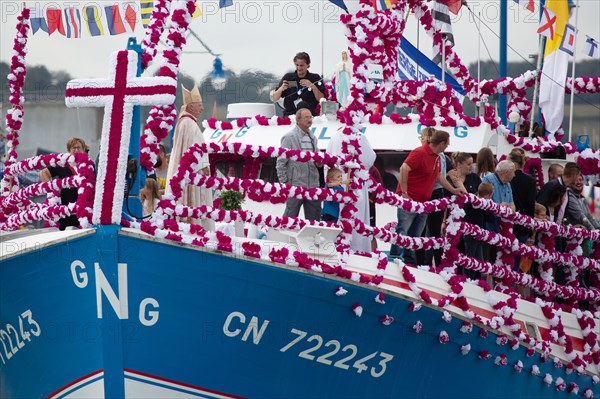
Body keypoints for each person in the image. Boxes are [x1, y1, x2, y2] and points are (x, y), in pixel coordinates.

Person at [390, 130, 464, 264]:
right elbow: (403, 169)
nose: (447, 146)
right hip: (410, 201)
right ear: (441, 143)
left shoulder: (436, 157)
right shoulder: (420, 152)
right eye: (447, 144)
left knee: (415, 234)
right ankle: (394, 257)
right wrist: (405, 193)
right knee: (403, 230)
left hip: (423, 203)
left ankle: (409, 262)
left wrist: (453, 190)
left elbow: (438, 176)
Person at [165, 83, 213, 229]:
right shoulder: (189, 124)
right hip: (193, 175)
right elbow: (195, 153)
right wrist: (204, 167)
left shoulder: (185, 123)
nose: (202, 108)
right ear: (190, 106)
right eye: (199, 105)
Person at [326, 129, 376, 252]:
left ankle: (339, 247)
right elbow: (370, 159)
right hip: (355, 183)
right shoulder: (360, 136)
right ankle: (358, 249)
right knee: (356, 216)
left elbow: (328, 161)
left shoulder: (334, 136)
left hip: (337, 182)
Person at [276, 108, 322, 220]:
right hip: (295, 184)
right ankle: (286, 237)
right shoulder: (289, 138)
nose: (309, 120)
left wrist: (320, 162)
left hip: (313, 184)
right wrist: (285, 182)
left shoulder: (313, 138)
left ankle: (312, 237)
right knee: (290, 218)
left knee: (314, 220)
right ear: (298, 120)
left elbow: (317, 161)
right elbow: (281, 162)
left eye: (311, 117)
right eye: (306, 117)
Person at [39, 137, 88, 230]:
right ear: (69, 150)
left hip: (83, 211)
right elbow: (42, 173)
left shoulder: (88, 165)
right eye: (74, 148)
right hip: (65, 212)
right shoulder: (62, 164)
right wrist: (53, 188)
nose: (77, 150)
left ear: (83, 150)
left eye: (79, 148)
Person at [272, 52, 325, 116]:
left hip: (309, 116)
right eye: (297, 65)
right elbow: (275, 98)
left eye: (301, 65)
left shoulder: (315, 78)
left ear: (308, 65)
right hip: (290, 115)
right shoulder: (288, 77)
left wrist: (313, 86)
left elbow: (321, 99)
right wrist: (281, 89)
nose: (299, 68)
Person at [462, 182, 494, 279]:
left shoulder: (478, 203)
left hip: (479, 235)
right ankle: (467, 279)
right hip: (470, 234)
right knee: (470, 257)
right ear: (488, 195)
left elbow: (490, 218)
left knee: (479, 260)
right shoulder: (472, 202)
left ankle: (475, 279)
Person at [508, 150, 536, 247]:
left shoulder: (507, 178)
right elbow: (530, 204)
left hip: (508, 221)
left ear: (513, 164)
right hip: (523, 222)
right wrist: (530, 225)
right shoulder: (531, 180)